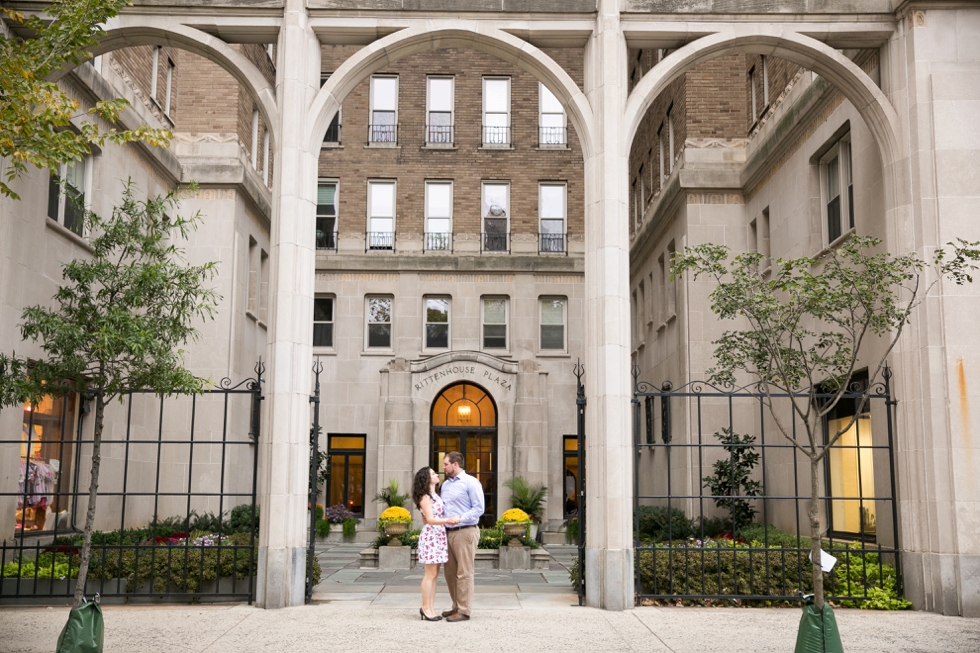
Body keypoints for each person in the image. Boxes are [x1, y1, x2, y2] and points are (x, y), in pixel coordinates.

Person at [438, 451, 485, 622]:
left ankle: (464, 611)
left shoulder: (471, 482)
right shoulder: (445, 485)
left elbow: (479, 509)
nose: (443, 467)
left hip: (465, 532)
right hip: (448, 534)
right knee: (450, 573)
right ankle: (456, 606)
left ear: (455, 464)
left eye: (445, 464)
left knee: (464, 573)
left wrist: (461, 518)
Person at [412, 466, 458, 621]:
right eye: (432, 473)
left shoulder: (434, 495)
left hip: (438, 535)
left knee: (434, 574)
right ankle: (425, 608)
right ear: (426, 478)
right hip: (432, 536)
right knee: (429, 574)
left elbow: (426, 517)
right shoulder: (425, 497)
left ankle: (430, 607)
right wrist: (448, 520)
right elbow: (430, 519)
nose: (436, 474)